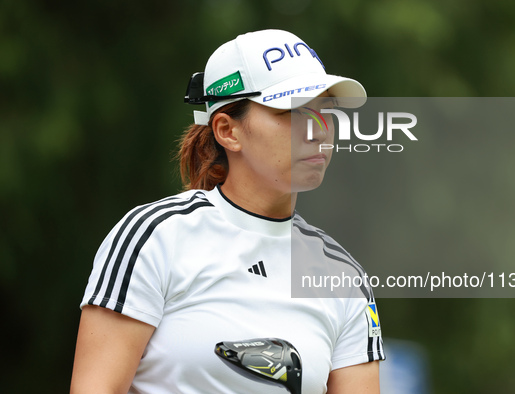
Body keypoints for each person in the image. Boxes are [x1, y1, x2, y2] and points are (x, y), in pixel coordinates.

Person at [71, 29, 385, 393]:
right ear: (227, 130)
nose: (318, 130)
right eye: (293, 110)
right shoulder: (153, 238)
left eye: (323, 110)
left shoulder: (343, 277)